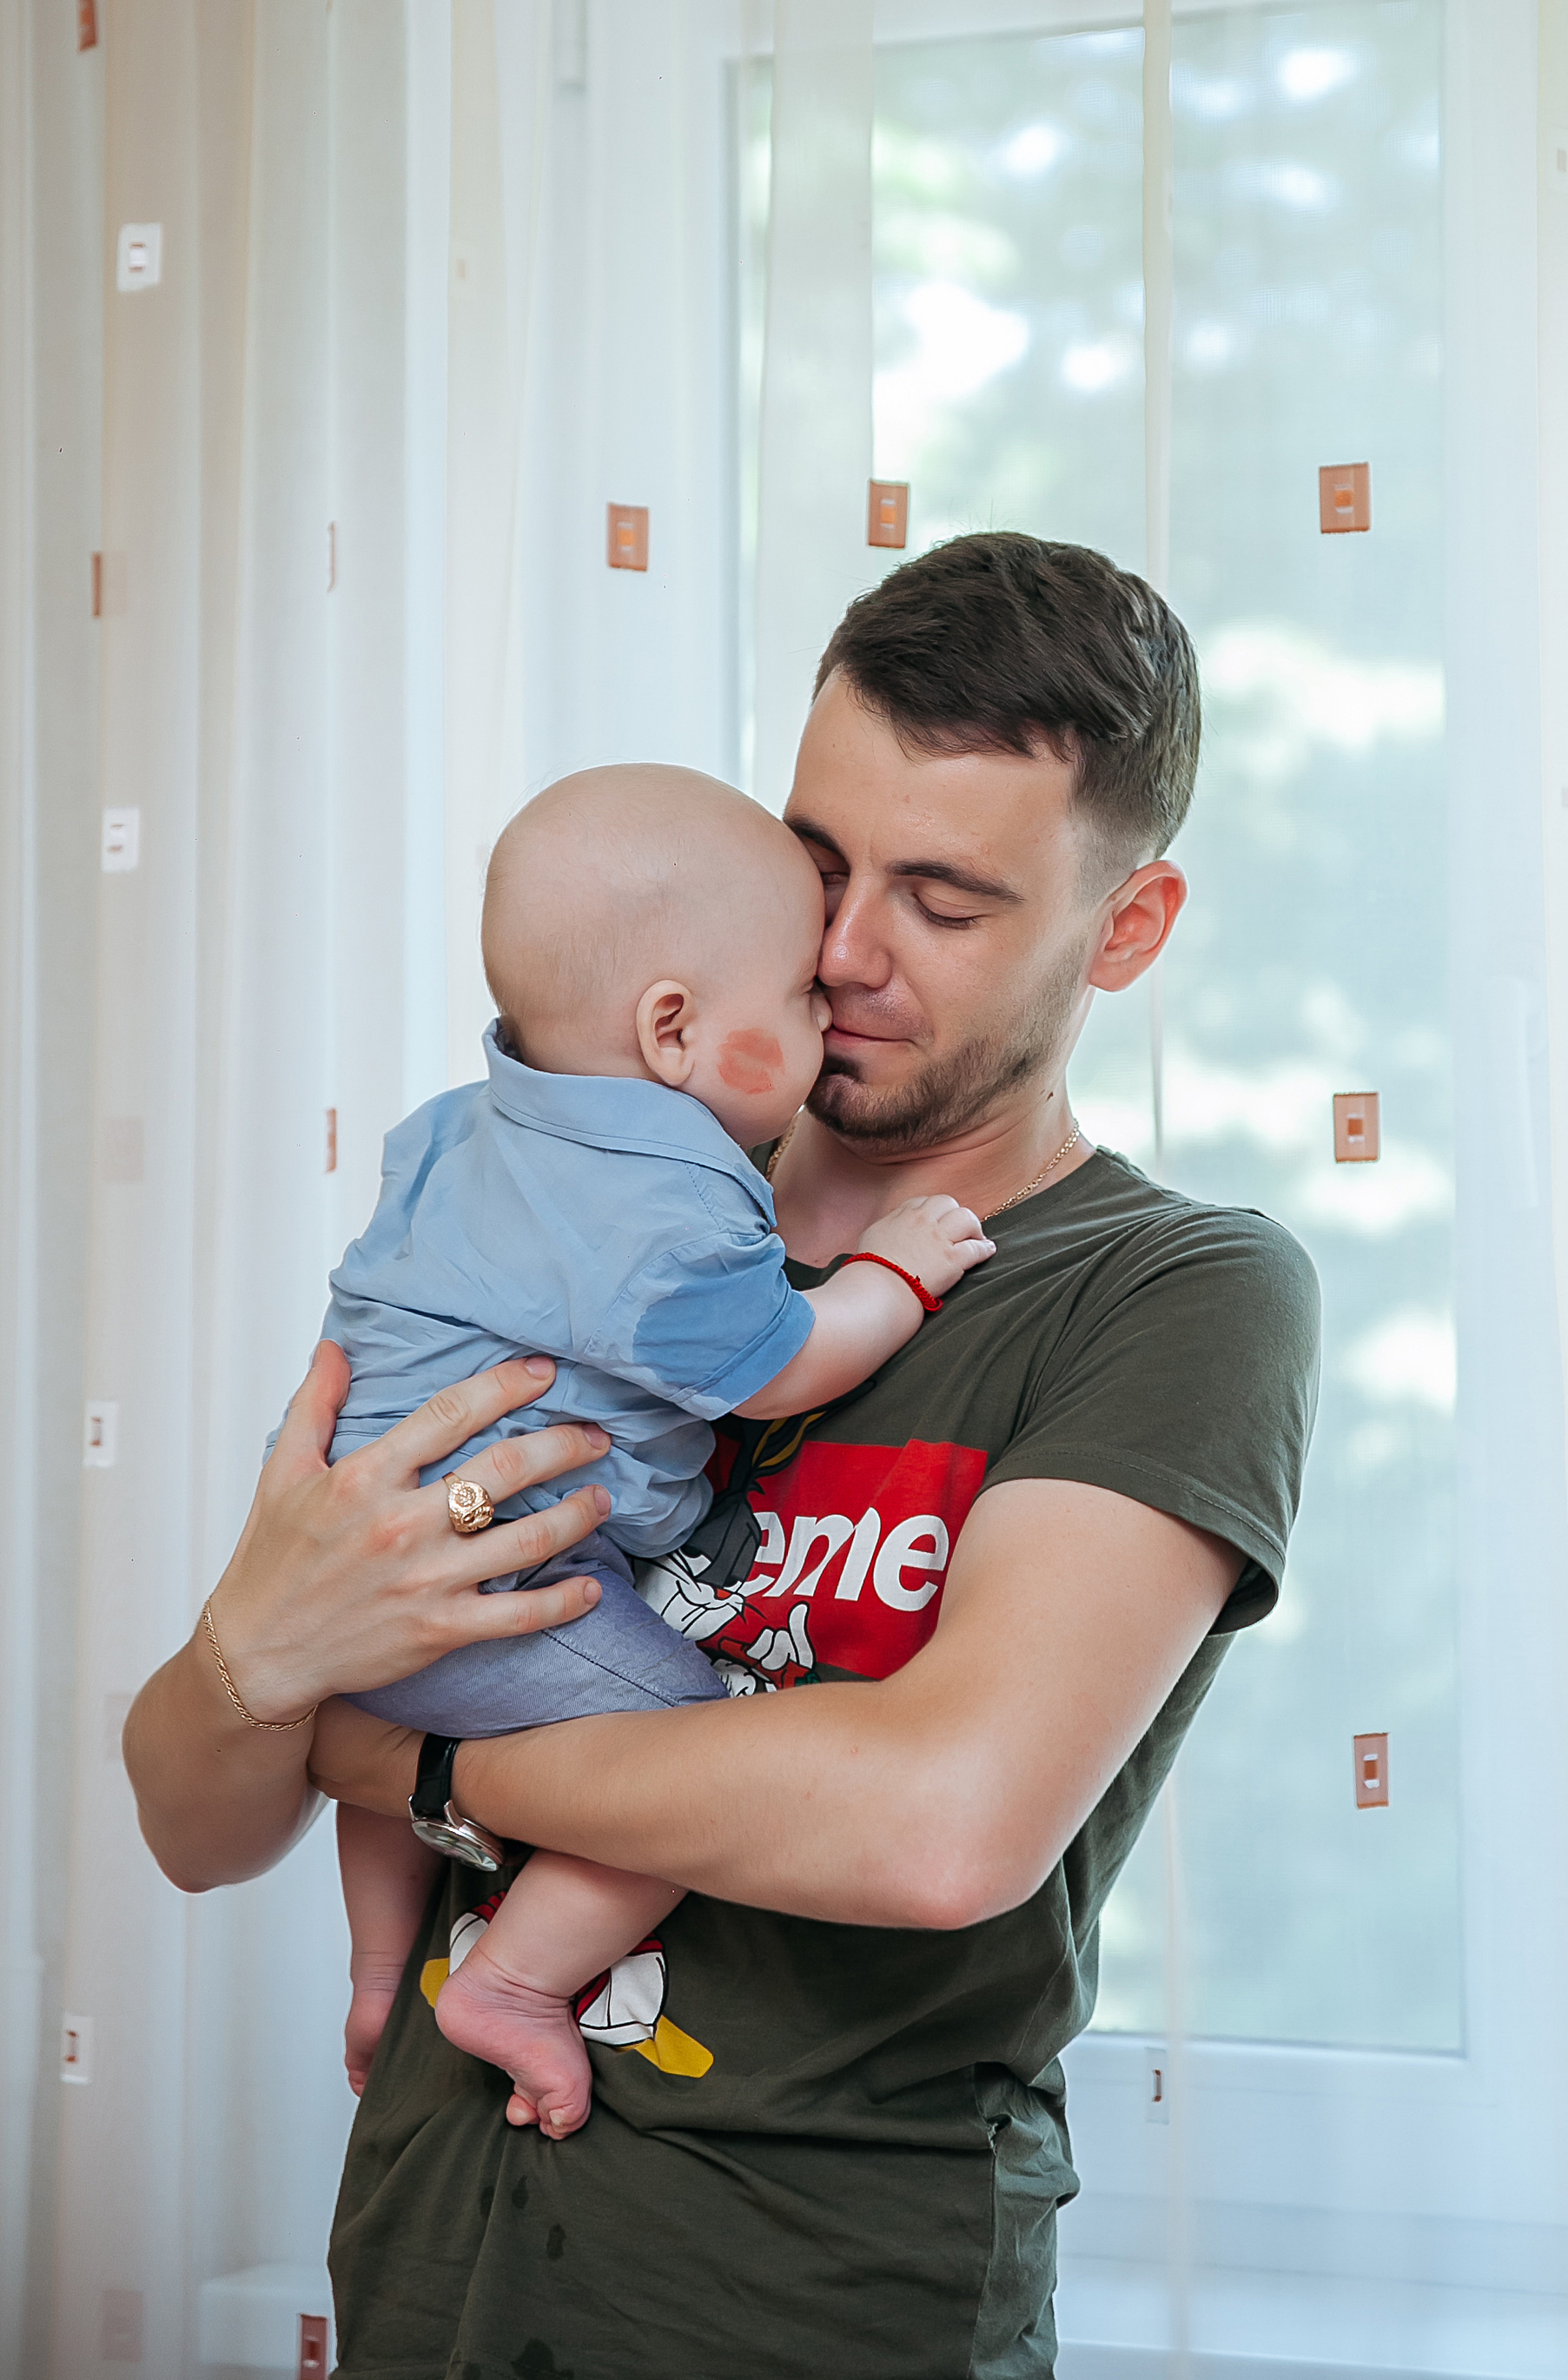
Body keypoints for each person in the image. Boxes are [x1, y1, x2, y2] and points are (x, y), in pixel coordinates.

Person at [125, 533, 1320, 2379]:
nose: (839, 952)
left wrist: (389, 1744)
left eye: (943, 900)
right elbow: (194, 1824)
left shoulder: (1171, 1293)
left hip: (814, 2319)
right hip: (427, 2294)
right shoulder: (578, 1205)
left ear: (1128, 929)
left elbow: (938, 1827)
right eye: (818, 862)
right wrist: (250, 1655)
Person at [316, 764, 991, 2141]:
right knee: (688, 1753)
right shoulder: (666, 1204)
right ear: (672, 1030)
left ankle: (381, 1974)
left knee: (389, 1728)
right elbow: (781, 1366)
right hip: (490, 1577)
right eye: (799, 995)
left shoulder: (458, 1126)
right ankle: (510, 1982)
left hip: (339, 1557)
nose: (831, 1001)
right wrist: (894, 1272)